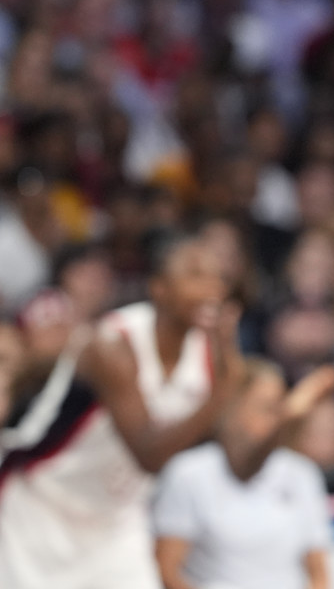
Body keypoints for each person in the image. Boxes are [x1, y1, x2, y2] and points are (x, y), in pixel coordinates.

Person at [0, 234, 243, 589]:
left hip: (117, 520)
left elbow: (230, 447)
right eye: (194, 275)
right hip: (40, 507)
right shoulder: (113, 344)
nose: (209, 288)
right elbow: (148, 453)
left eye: (216, 278)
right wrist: (222, 390)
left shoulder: (213, 351)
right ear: (159, 289)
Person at [152, 358, 334, 589]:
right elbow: (167, 570)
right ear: (231, 408)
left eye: (279, 408)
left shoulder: (302, 474)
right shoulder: (187, 472)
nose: (274, 418)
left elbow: (319, 574)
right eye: (266, 408)